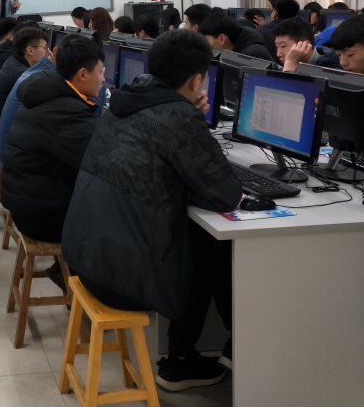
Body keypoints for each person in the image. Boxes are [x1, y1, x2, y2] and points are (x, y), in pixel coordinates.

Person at [62, 30, 241, 391]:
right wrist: (192, 122)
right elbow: (225, 194)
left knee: (200, 238)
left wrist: (189, 118)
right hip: (122, 279)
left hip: (85, 256)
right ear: (196, 80)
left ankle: (194, 353)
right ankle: (189, 357)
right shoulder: (177, 117)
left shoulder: (125, 102)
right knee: (210, 247)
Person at [1, 35, 103, 246]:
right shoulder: (67, 112)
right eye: (101, 72)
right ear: (83, 74)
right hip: (44, 217)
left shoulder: (49, 90)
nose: (104, 79)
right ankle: (77, 266)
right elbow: (101, 163)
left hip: (28, 203)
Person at [0, 27, 50, 153]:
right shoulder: (21, 73)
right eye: (45, 48)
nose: (48, 52)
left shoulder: (13, 61)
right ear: (30, 50)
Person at [198, 13, 276, 62]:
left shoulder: (251, 56)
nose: (204, 45)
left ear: (222, 39)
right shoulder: (230, 52)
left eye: (206, 40)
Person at [274, 18, 339, 72]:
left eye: (283, 46)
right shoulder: (290, 65)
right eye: (277, 47)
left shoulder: (330, 70)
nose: (278, 54)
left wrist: (290, 63)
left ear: (305, 45)